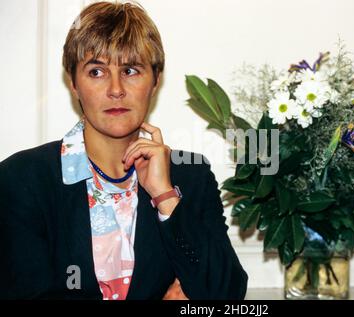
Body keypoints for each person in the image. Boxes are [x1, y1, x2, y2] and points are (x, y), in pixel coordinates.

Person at [0, 1, 248, 300]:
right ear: (74, 84)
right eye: (96, 71)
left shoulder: (191, 175)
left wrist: (165, 196)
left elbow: (226, 294)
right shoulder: (23, 178)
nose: (115, 89)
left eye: (130, 70)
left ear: (155, 80)